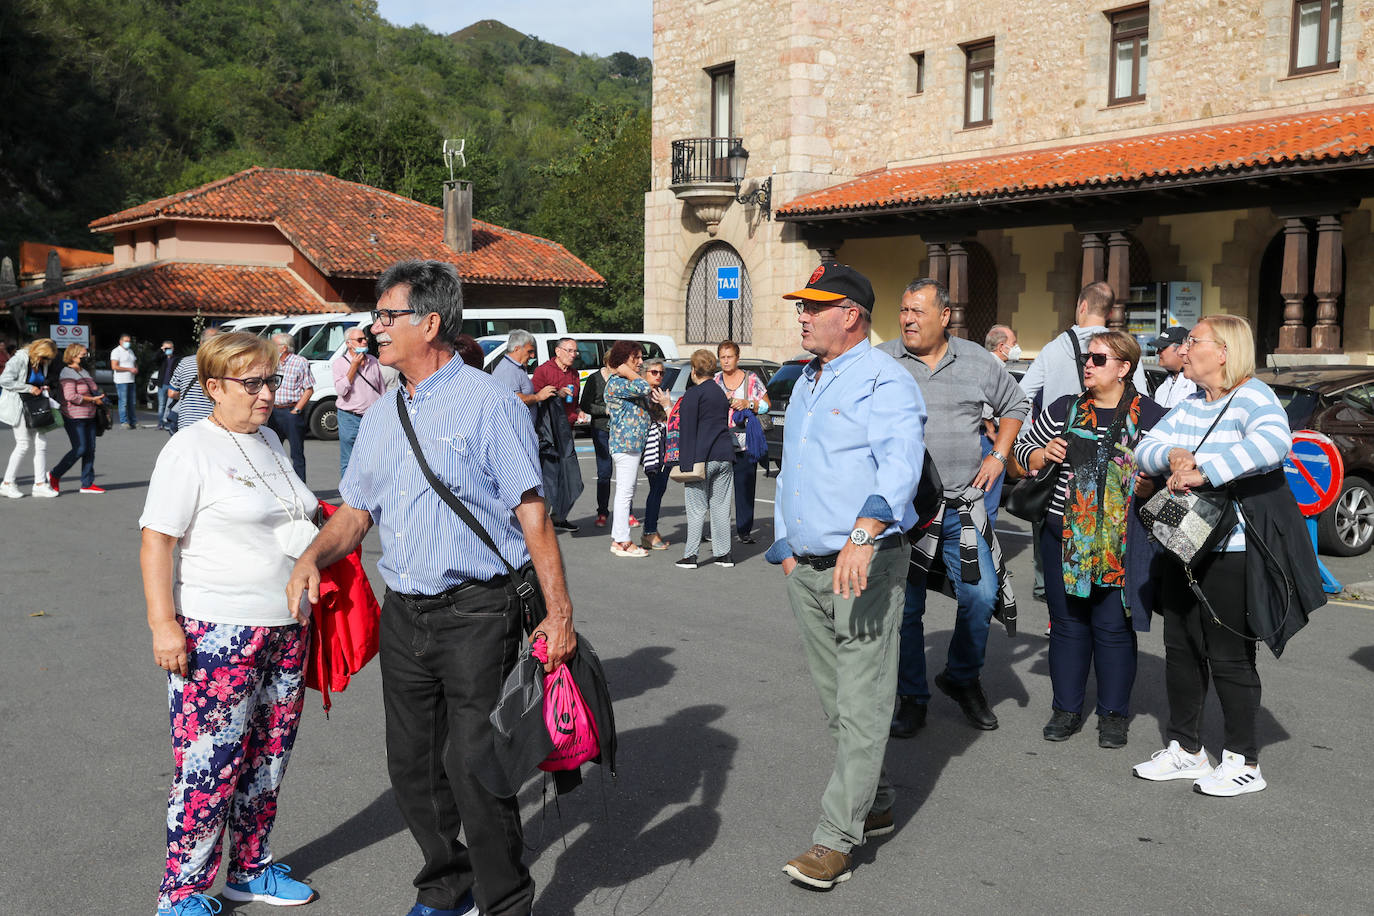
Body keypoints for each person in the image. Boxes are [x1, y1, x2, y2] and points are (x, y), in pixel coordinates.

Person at [287, 260, 576, 916]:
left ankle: (504, 901)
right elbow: (356, 512)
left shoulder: (490, 402)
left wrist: (558, 613)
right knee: (413, 771)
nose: (375, 327)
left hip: (479, 611)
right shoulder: (386, 411)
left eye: (388, 316)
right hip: (406, 614)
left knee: (476, 768)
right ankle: (448, 889)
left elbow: (532, 511)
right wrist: (313, 556)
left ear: (431, 323)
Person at [140, 331, 319, 915]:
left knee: (269, 757)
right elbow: (157, 542)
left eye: (272, 380)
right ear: (214, 387)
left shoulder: (268, 438)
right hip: (218, 630)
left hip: (286, 627)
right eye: (253, 383)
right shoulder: (190, 448)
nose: (268, 393)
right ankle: (181, 892)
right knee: (209, 765)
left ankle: (249, 868)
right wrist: (163, 624)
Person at [766, 263, 926, 890]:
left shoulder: (884, 379)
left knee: (861, 703)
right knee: (838, 704)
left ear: (850, 314)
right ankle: (878, 799)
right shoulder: (807, 379)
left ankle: (835, 839)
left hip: (865, 562)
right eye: (800, 306)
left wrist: (863, 534)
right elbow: (793, 468)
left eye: (814, 305)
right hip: (806, 566)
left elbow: (900, 466)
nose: (801, 315)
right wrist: (783, 543)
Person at [1131, 315, 1310, 796]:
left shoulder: (1253, 396)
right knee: (1180, 651)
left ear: (1224, 351)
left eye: (1193, 342)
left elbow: (1275, 444)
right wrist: (1171, 457)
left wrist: (1204, 470)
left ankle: (1243, 761)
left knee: (1230, 656)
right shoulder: (1189, 402)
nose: (1183, 350)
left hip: (1231, 549)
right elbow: (1145, 446)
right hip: (1182, 544)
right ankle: (1187, 750)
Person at [879, 278, 1028, 737]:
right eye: (903, 310)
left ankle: (961, 678)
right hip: (904, 513)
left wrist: (999, 453)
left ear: (945, 316)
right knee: (906, 610)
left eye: (917, 311)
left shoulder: (977, 360)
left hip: (962, 506)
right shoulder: (882, 361)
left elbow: (1016, 402)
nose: (907, 319)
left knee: (981, 596)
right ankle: (912, 696)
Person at [1014, 331, 1167, 748]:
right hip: (1063, 538)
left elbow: (1173, 478)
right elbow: (1020, 451)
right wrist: (1041, 455)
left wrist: (1151, 488)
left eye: (1099, 359)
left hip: (1123, 541)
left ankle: (1113, 715)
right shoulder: (1064, 409)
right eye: (1087, 357)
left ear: (1124, 368)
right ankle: (1066, 710)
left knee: (1114, 628)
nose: (1088, 364)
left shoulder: (1153, 418)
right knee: (1067, 626)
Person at [1019, 282, 1149, 604]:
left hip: (1071, 489)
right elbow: (1142, 399)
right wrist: (1034, 451)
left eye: (1098, 360)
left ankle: (1053, 604)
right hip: (1074, 489)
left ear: (1080, 306)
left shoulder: (1054, 348)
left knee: (1063, 591)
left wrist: (1031, 440)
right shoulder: (1123, 348)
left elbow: (1020, 396)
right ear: (1109, 310)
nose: (1089, 364)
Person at [675, 349, 736, 569]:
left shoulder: (693, 394)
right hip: (724, 455)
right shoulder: (719, 392)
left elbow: (687, 430)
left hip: (701, 456)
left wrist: (684, 463)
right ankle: (724, 554)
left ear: (694, 371)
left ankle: (691, 556)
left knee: (696, 507)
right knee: (720, 506)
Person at [714, 340, 770, 545]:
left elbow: (766, 405)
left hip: (745, 442)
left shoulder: (751, 379)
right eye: (722, 357)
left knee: (745, 487)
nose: (726, 361)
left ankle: (744, 529)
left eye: (730, 357)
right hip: (720, 441)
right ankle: (719, 528)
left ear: (737, 358)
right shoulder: (715, 380)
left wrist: (749, 403)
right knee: (719, 489)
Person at [605, 340, 651, 558]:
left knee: (626, 491)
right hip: (625, 444)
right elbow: (644, 386)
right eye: (637, 358)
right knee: (625, 492)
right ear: (624, 359)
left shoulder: (623, 382)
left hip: (630, 444)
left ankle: (619, 538)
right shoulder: (617, 382)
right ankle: (623, 540)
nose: (641, 362)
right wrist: (624, 370)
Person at [531, 337, 583, 530]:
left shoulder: (574, 374)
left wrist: (580, 412)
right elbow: (535, 398)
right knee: (549, 475)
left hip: (567, 430)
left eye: (575, 352)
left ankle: (559, 517)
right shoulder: (543, 370)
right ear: (558, 351)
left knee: (567, 473)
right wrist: (554, 393)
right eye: (569, 351)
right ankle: (542, 519)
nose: (573, 355)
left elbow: (575, 404)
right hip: (548, 432)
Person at [0, 338, 60, 498]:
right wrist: (28, 388)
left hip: (36, 406)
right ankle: (7, 483)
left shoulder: (42, 363)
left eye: (48, 359)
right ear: (38, 352)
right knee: (23, 444)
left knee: (41, 443)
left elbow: (40, 380)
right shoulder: (19, 358)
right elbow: (4, 380)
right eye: (44, 357)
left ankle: (40, 484)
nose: (46, 361)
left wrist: (43, 387)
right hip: (19, 406)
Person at [50, 343, 106, 494]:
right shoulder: (66, 373)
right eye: (83, 353)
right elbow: (70, 396)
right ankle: (54, 475)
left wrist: (98, 397)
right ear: (74, 354)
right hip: (74, 415)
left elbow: (93, 389)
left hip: (90, 415)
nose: (86, 355)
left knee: (90, 449)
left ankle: (87, 483)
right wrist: (92, 399)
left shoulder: (84, 371)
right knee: (80, 448)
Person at [333, 325, 386, 477]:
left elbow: (381, 388)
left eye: (365, 339)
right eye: (360, 339)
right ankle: (348, 498)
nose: (364, 342)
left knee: (373, 459)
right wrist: (353, 367)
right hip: (350, 417)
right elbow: (341, 391)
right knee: (349, 460)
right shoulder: (339, 363)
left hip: (372, 416)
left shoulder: (373, 361)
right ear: (349, 343)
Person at [266, 333, 312, 483]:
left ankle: (301, 489)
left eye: (274, 345)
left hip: (291, 412)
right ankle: (276, 486)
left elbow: (308, 389)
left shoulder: (300, 362)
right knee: (272, 452)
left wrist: (297, 410)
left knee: (296, 454)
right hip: (274, 412)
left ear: (284, 347)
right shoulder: (272, 362)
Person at [637, 358, 673, 551]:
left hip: (664, 447)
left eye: (661, 373)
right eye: (654, 372)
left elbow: (672, 418)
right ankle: (649, 531)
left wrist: (667, 404)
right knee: (656, 488)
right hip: (650, 448)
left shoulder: (660, 394)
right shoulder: (641, 394)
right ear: (644, 373)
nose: (658, 376)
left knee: (659, 489)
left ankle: (651, 530)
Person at [579, 356, 615, 527]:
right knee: (604, 472)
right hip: (601, 428)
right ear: (607, 363)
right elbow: (585, 404)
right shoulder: (594, 379)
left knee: (625, 473)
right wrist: (604, 410)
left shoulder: (621, 378)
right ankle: (602, 511)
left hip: (620, 429)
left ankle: (628, 512)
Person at [492, 329, 557, 423]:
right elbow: (514, 399)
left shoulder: (516, 367)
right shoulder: (508, 370)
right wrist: (538, 397)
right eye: (529, 351)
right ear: (517, 349)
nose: (533, 356)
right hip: (515, 431)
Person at [166, 327, 220, 434]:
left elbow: (171, 393)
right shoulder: (222, 366)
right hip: (212, 424)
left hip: (186, 423)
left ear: (200, 343)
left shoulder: (184, 363)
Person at [1148, 326, 1199, 409]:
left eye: (1162, 347)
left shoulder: (1196, 383)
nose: (1158, 352)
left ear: (1181, 348)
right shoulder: (1163, 385)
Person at [111, 332, 139, 429]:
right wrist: (129, 369)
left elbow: (134, 362)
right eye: (126, 341)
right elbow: (114, 366)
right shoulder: (116, 351)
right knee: (123, 402)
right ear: (120, 341)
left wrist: (135, 368)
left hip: (131, 380)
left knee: (132, 402)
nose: (128, 343)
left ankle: (133, 422)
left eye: (129, 341)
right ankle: (124, 422)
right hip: (121, 381)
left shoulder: (130, 351)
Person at [156, 340, 179, 430]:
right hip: (162, 385)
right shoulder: (162, 358)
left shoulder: (177, 359)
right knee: (161, 405)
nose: (168, 350)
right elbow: (154, 359)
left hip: (172, 386)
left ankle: (168, 422)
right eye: (166, 348)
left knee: (169, 405)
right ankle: (160, 423)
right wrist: (161, 350)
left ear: (173, 348)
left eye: (170, 348)